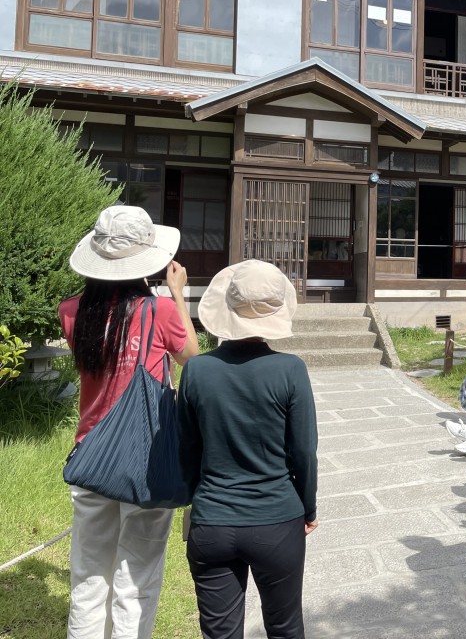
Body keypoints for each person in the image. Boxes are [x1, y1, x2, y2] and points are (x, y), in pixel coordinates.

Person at [60, 205, 199, 639]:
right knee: (135, 575)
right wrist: (177, 294)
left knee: (88, 573)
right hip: (146, 456)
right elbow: (193, 363)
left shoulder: (70, 311)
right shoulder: (159, 312)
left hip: (90, 454)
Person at [177, 259, 318, 639]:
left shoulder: (196, 371)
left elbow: (186, 448)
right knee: (286, 627)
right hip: (277, 518)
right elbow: (304, 452)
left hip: (212, 520)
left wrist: (198, 499)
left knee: (219, 633)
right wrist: (308, 508)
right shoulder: (290, 370)